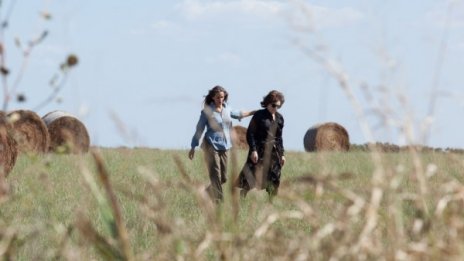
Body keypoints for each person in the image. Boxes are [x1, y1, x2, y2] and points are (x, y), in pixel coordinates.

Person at [189, 86, 255, 203]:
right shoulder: (207, 112)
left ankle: (205, 193)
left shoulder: (227, 109)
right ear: (213, 98)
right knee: (216, 176)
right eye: (218, 97)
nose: (220, 99)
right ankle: (219, 202)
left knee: (223, 178)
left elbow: (239, 114)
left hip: (225, 145)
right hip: (211, 145)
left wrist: (254, 112)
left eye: (222, 97)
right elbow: (199, 129)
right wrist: (193, 146)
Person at [235, 90, 286, 199]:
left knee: (274, 176)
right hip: (259, 150)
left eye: (278, 106)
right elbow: (250, 133)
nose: (275, 108)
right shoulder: (259, 115)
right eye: (273, 105)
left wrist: (282, 154)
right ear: (267, 103)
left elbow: (279, 138)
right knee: (253, 175)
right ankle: (243, 193)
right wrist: (253, 150)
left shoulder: (280, 118)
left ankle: (271, 202)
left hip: (274, 152)